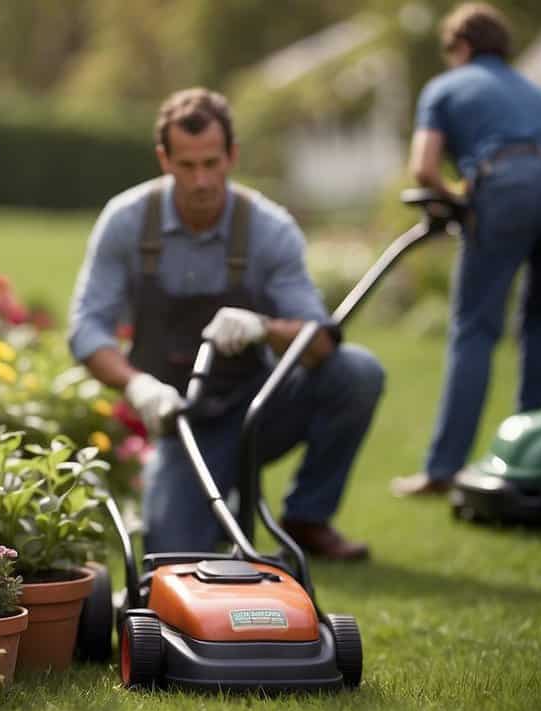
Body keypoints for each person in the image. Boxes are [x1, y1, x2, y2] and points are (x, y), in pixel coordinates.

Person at [67, 87, 384, 562]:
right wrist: (138, 387)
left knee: (356, 371)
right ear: (164, 159)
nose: (201, 180)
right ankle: (215, 505)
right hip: (181, 421)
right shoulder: (127, 223)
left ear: (232, 156)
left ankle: (307, 518)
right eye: (187, 165)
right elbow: (86, 329)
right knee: (170, 556)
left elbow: (319, 344)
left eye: (212, 163)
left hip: (260, 410)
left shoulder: (269, 229)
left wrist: (264, 328)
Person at [390, 3, 541, 498]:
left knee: (475, 327)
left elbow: (424, 169)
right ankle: (534, 459)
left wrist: (458, 197)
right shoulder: (533, 88)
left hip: (508, 185)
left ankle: (442, 470)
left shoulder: (443, 87)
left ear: (460, 46)